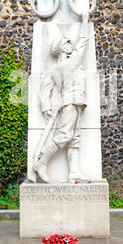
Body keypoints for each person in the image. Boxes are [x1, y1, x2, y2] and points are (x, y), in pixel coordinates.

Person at [33, 11, 90, 184]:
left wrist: (46, 108)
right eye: (67, 43)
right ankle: (42, 162)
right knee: (65, 135)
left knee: (75, 136)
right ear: (62, 48)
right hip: (70, 102)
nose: (70, 44)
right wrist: (85, 21)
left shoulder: (55, 69)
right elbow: (83, 41)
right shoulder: (71, 62)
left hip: (77, 102)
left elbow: (44, 91)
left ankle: (73, 172)